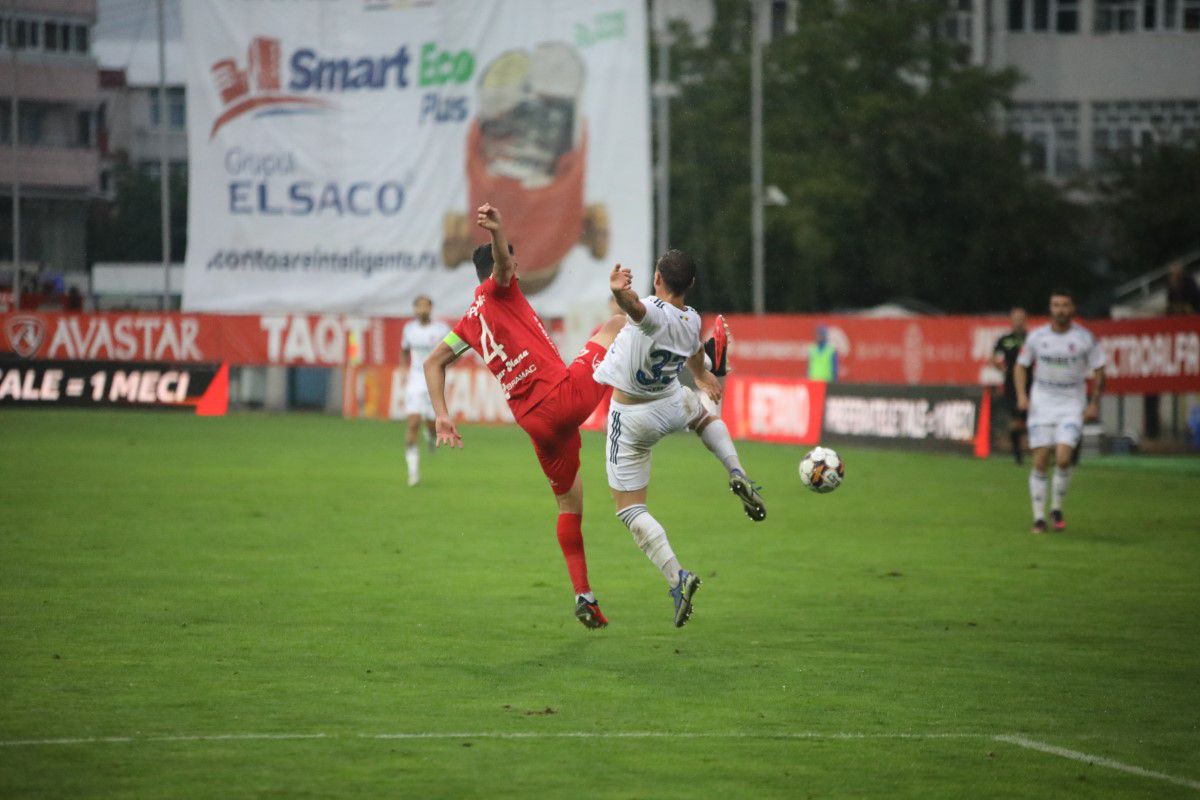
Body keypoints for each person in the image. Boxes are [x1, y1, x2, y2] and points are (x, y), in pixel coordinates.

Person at [423, 203, 625, 629]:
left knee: (570, 503)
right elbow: (499, 267)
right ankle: (665, 389)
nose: (515, 268)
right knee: (616, 327)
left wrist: (442, 416)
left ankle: (584, 595)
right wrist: (498, 233)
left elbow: (432, 363)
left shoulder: (468, 324)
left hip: (533, 422)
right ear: (509, 264)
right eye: (512, 262)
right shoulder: (500, 289)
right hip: (560, 398)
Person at [595, 254, 766, 628]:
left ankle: (678, 578)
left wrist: (618, 292)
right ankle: (737, 470)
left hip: (632, 415)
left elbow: (635, 309)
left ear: (657, 278)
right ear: (690, 285)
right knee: (704, 415)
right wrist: (704, 375)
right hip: (670, 402)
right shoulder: (692, 319)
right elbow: (693, 353)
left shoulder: (653, 310)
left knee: (629, 509)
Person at [1014, 289, 1105, 534]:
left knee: (1064, 458)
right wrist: (1022, 395)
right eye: (1056, 305)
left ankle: (1056, 507)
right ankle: (1038, 518)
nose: (1060, 309)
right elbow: (1021, 366)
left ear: (1072, 308)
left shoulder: (1085, 338)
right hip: (1041, 404)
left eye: (1065, 305)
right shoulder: (1037, 337)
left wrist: (1094, 402)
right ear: (1050, 308)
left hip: (1071, 404)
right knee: (1041, 460)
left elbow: (1099, 369)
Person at [400, 295, 449, 487]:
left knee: (431, 424)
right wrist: (404, 370)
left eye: (424, 305)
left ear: (430, 307)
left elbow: (455, 351)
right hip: (415, 381)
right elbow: (404, 351)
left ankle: (430, 435)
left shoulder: (441, 330)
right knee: (412, 423)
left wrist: (446, 367)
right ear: (414, 310)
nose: (421, 309)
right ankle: (413, 472)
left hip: (433, 381)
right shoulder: (409, 330)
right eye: (417, 306)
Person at [992, 307, 1029, 464]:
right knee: (1016, 420)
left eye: (1021, 319)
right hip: (1011, 384)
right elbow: (994, 357)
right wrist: (1000, 367)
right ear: (1011, 321)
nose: (1018, 322)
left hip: (1031, 383)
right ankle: (1017, 454)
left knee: (1028, 420)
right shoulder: (1005, 340)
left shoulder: (1031, 339)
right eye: (1015, 319)